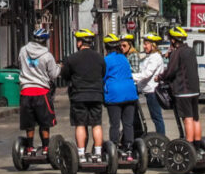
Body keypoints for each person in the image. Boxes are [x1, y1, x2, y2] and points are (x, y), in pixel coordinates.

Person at [59, 28, 106, 163]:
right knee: (96, 124)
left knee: (80, 124)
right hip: (96, 95)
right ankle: (97, 153)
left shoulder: (72, 59)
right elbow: (103, 73)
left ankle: (80, 154)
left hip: (78, 95)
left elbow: (64, 76)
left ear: (79, 43)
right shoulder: (99, 58)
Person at [17, 27, 62, 155]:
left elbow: (20, 65)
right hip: (41, 92)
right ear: (45, 41)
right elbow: (53, 75)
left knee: (29, 123)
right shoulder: (47, 56)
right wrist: (59, 67)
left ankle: (30, 147)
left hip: (26, 92)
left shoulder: (23, 51)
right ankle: (46, 147)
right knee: (44, 122)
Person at [161, 26, 202, 145]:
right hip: (195, 90)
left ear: (173, 40)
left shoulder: (177, 53)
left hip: (183, 91)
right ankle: (197, 144)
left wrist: (160, 77)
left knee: (187, 118)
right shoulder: (190, 50)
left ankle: (188, 144)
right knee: (195, 118)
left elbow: (171, 71)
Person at [103, 33, 138, 160]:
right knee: (128, 124)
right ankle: (129, 149)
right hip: (130, 93)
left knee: (115, 124)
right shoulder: (123, 58)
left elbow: (103, 77)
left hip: (114, 95)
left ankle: (115, 147)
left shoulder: (106, 60)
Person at [132, 33, 166, 135]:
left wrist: (131, 76)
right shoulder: (150, 56)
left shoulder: (155, 57)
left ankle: (161, 138)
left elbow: (147, 74)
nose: (144, 46)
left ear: (153, 45)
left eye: (146, 44)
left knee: (156, 117)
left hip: (153, 91)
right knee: (154, 116)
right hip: (147, 90)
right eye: (144, 44)